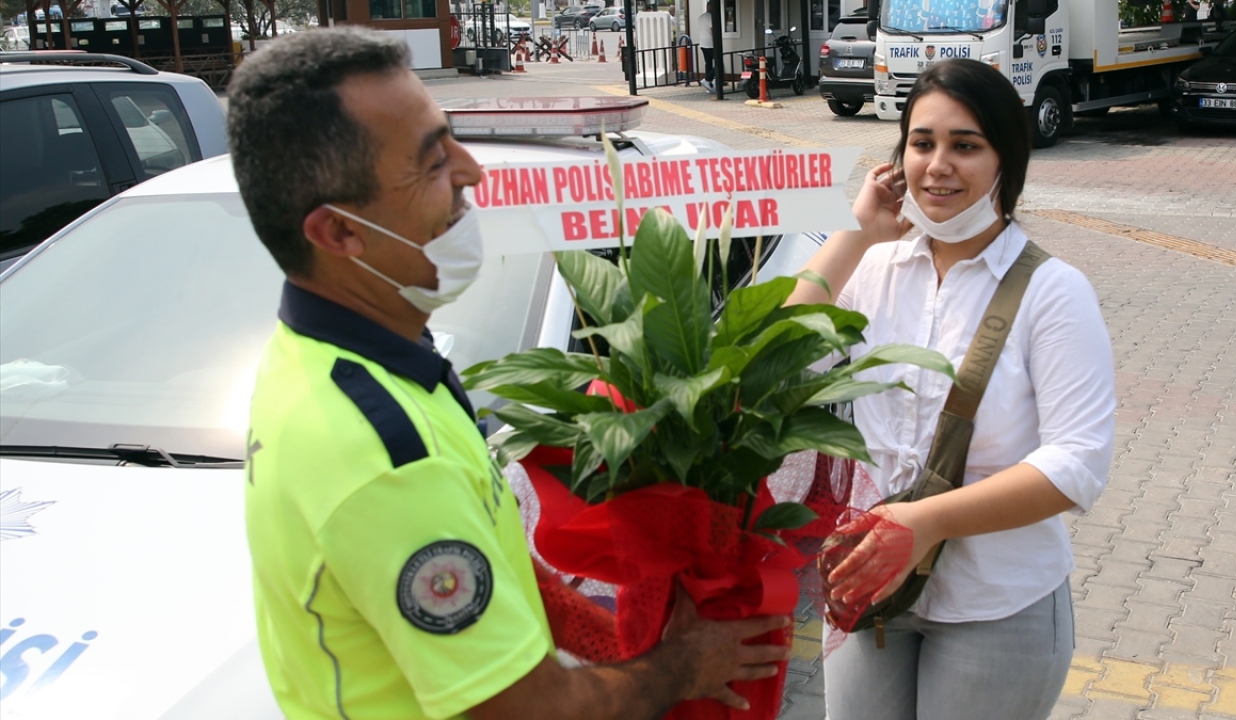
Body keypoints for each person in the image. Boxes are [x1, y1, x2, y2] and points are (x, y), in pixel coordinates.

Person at [229, 27, 789, 720]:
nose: (471, 171)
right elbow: (533, 710)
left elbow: (498, 577)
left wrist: (614, 635)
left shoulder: (327, 359)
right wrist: (678, 668)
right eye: (433, 163)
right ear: (339, 232)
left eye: (453, 141)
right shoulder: (390, 460)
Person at [786, 58, 1115, 720]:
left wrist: (928, 520)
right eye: (922, 143)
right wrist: (855, 233)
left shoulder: (1054, 292)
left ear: (1005, 160)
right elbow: (778, 352)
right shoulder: (875, 268)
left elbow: (1076, 463)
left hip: (996, 602)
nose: (938, 165)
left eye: (965, 146)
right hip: (872, 581)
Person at [698, 0, 718, 93]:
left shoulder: (701, 17)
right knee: (719, 64)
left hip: (703, 44)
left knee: (708, 63)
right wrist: (717, 41)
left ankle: (708, 85)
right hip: (711, 44)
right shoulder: (710, 17)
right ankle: (707, 80)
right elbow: (713, 30)